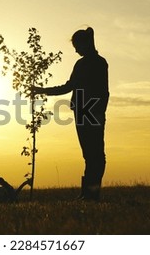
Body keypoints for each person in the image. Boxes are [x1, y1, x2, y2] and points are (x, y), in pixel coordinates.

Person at [33, 27, 109, 201]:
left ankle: (90, 194)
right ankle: (89, 193)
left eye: (76, 45)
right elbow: (78, 88)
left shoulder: (92, 63)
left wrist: (43, 91)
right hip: (87, 110)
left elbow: (73, 87)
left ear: (85, 43)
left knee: (94, 154)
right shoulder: (91, 63)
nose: (75, 49)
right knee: (92, 154)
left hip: (89, 110)